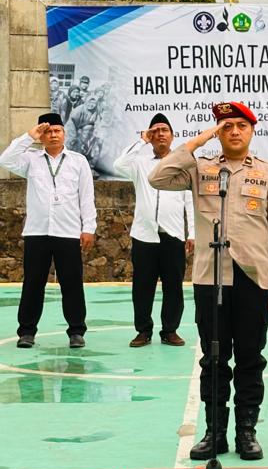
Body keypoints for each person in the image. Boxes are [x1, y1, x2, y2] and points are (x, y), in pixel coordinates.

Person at [149, 102, 268, 462]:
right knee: (213, 358)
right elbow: (158, 177)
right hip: (210, 277)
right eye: (226, 126)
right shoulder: (201, 169)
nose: (234, 132)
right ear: (217, 131)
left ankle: (246, 431)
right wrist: (198, 141)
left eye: (240, 126)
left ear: (252, 131)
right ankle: (214, 432)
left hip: (253, 278)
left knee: (250, 357)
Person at [0, 113, 96, 350]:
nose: (53, 135)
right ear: (41, 136)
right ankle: (27, 332)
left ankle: (76, 331)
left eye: (57, 131)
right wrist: (29, 136)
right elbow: (5, 160)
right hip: (37, 232)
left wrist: (88, 228)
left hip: (68, 232)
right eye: (48, 131)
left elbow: (87, 197)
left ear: (64, 133)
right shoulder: (30, 159)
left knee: (72, 283)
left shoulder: (78, 161)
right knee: (33, 283)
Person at [114, 114, 195, 348]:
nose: (160, 134)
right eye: (155, 131)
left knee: (173, 286)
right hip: (144, 235)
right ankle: (143, 331)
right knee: (142, 287)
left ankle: (170, 330)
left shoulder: (183, 165)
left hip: (173, 235)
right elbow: (118, 165)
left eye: (164, 130)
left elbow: (190, 201)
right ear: (149, 135)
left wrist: (192, 233)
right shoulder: (139, 163)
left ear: (173, 136)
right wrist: (141, 141)